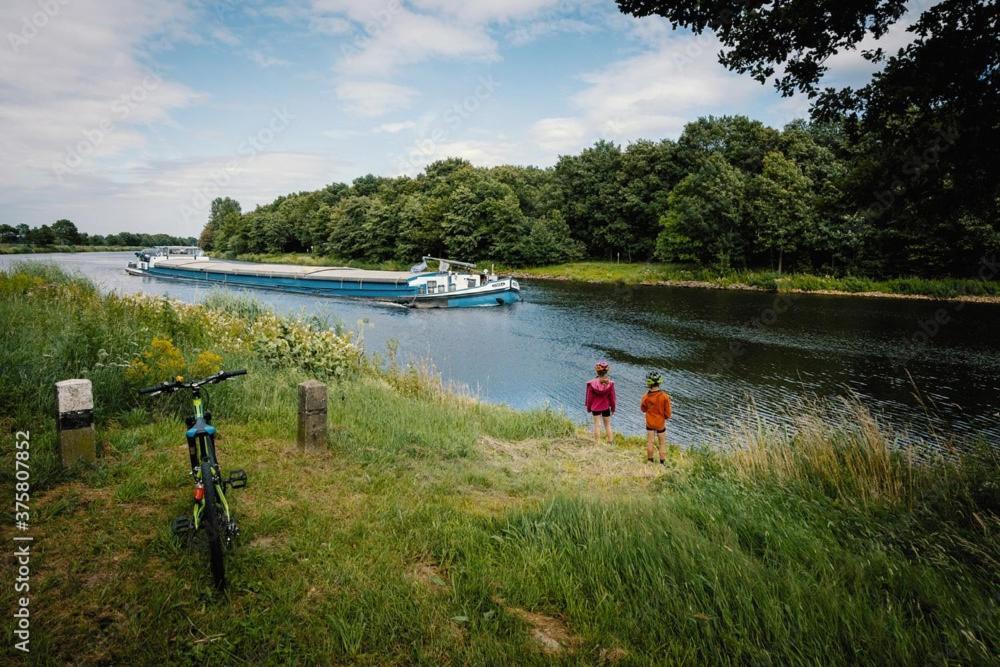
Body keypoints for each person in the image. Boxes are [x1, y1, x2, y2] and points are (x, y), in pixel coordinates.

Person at [640, 370, 672, 464]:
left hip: (650, 423)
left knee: (650, 442)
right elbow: (668, 414)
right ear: (659, 383)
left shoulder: (645, 396)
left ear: (648, 383)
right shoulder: (665, 396)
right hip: (660, 423)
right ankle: (662, 462)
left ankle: (650, 461)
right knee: (662, 443)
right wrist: (664, 417)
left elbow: (643, 409)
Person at [585, 360, 616, 445]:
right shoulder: (610, 384)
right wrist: (613, 408)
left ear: (596, 371)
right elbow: (612, 398)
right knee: (607, 425)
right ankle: (610, 442)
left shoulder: (591, 384)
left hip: (595, 407)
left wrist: (588, 408)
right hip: (606, 407)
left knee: (597, 425)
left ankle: (597, 443)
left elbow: (589, 398)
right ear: (607, 371)